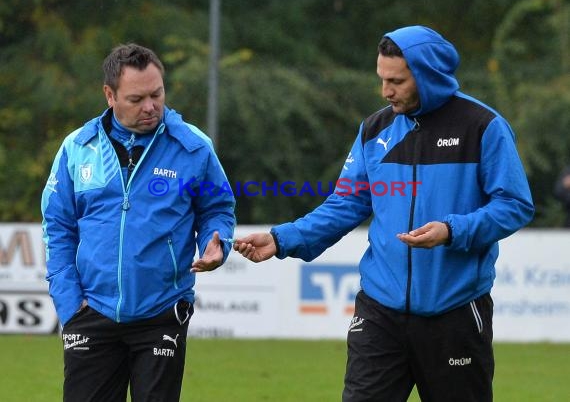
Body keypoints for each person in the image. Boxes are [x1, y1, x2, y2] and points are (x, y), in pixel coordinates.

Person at [234, 25, 534, 402]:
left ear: (427, 75)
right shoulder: (375, 129)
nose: (385, 91)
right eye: (382, 79)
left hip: (456, 312)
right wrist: (281, 239)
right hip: (380, 311)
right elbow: (346, 204)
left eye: (396, 81)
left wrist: (452, 230)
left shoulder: (483, 127)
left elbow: (515, 205)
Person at [41, 43, 235, 402]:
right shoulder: (76, 148)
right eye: (136, 99)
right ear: (109, 95)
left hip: (162, 313)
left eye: (157, 94)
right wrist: (71, 304)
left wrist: (216, 241)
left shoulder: (194, 147)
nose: (150, 107)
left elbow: (217, 209)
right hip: (90, 313)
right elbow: (57, 227)